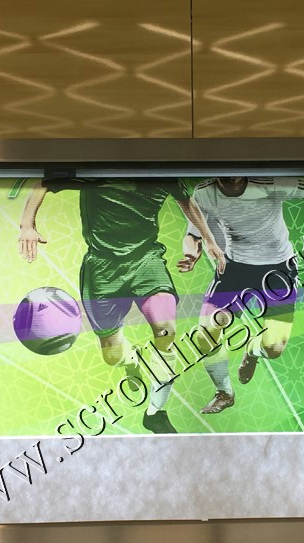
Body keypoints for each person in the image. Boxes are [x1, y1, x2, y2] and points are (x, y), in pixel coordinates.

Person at [19, 178, 225, 433]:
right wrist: (27, 225)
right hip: (102, 268)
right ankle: (131, 361)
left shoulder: (163, 173)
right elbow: (44, 182)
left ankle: (155, 412)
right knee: (112, 356)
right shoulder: (95, 170)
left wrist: (209, 240)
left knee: (166, 331)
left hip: (146, 260)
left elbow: (187, 202)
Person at [177, 176, 304, 414]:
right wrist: (190, 253)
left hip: (278, 269)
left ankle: (253, 350)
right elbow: (192, 235)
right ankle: (224, 392)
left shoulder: (269, 182)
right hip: (234, 269)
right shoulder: (204, 193)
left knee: (274, 349)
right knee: (205, 335)